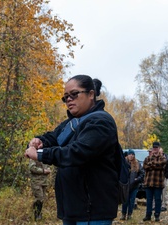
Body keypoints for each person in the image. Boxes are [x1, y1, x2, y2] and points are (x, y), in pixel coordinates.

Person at [24, 75, 120, 225]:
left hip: (92, 211)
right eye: (65, 97)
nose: (69, 99)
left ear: (91, 94)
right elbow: (53, 138)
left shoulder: (101, 122)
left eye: (74, 94)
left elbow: (77, 152)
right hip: (73, 208)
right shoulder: (71, 123)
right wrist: (38, 141)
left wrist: (41, 154)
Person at [142, 141, 167, 222]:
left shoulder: (163, 158)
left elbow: (162, 164)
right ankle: (148, 215)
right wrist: (154, 164)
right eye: (154, 148)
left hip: (158, 183)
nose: (155, 149)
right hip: (148, 182)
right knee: (149, 200)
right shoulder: (147, 158)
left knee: (157, 199)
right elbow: (145, 166)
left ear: (159, 148)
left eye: (156, 148)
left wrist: (151, 165)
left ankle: (157, 215)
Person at [120, 149, 144, 220]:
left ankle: (129, 214)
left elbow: (142, 173)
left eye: (133, 154)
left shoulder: (137, 163)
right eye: (130, 154)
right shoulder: (123, 163)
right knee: (125, 201)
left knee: (132, 201)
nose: (131, 156)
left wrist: (138, 179)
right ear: (128, 155)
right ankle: (123, 214)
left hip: (134, 185)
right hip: (125, 186)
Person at [159, 147, 168, 211]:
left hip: (165, 177)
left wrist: (166, 175)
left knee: (164, 191)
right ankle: (160, 204)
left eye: (160, 152)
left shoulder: (167, 159)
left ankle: (164, 205)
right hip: (158, 177)